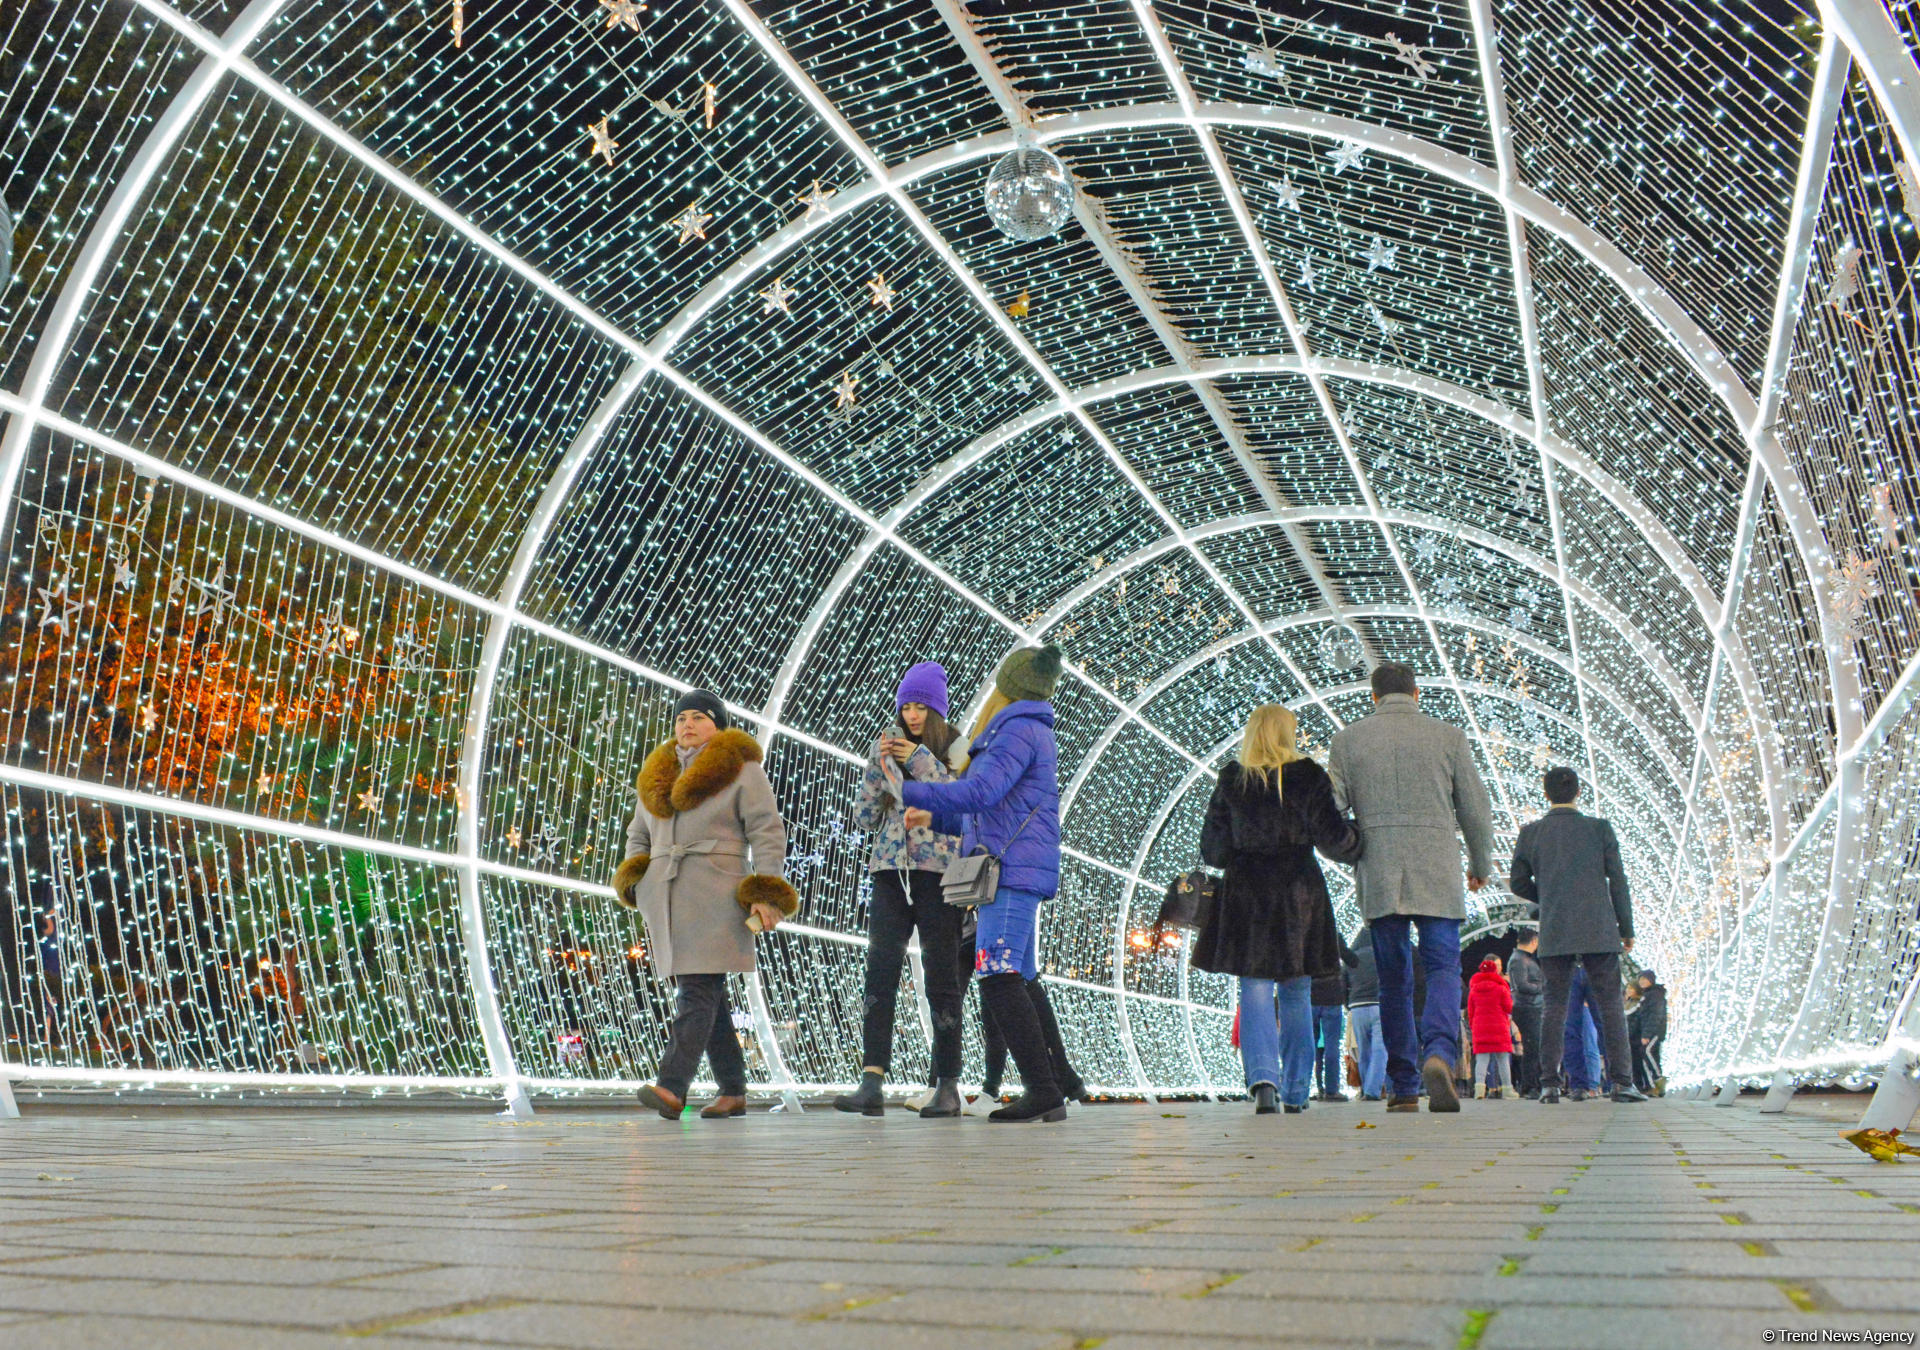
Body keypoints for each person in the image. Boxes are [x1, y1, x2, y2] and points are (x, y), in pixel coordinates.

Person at [613, 690, 799, 1120]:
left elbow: (766, 829)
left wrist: (767, 891)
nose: (687, 725)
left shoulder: (740, 769)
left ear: (718, 724)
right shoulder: (655, 775)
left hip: (716, 891)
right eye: (681, 719)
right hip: (666, 896)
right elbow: (637, 835)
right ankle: (733, 1090)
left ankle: (671, 1085)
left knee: (697, 988)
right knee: (706, 989)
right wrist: (637, 880)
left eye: (698, 717)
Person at [902, 646, 1069, 1122]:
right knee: (1017, 976)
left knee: (997, 974)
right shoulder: (1022, 730)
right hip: (1012, 865)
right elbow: (988, 811)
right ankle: (1052, 1088)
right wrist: (938, 814)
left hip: (1013, 870)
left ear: (1006, 686)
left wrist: (909, 789)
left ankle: (1043, 1089)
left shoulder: (1017, 730)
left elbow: (982, 792)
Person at [1327, 662, 1495, 1114]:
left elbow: (1328, 812)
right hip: (1437, 869)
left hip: (1380, 872)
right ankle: (1438, 1052)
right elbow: (1477, 810)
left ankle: (1402, 1086)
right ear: (1417, 693)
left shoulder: (1348, 741)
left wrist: (1347, 851)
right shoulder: (1449, 737)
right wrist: (1480, 865)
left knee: (1393, 982)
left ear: (1373, 697)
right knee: (1443, 968)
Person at [1193, 704, 1362, 1115]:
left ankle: (1262, 1081)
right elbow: (1332, 839)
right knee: (1296, 989)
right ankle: (1296, 1090)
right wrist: (1358, 841)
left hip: (1246, 893)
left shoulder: (1233, 778)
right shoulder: (1307, 775)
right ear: (1288, 734)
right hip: (1297, 891)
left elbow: (1213, 852)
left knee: (1253, 987)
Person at [836, 662, 969, 1118]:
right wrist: (879, 768)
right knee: (881, 970)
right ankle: (871, 1078)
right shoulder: (887, 747)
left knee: (941, 976)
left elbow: (962, 797)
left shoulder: (957, 747)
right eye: (906, 706)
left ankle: (947, 1083)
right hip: (891, 870)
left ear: (936, 710)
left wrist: (915, 758)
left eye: (920, 706)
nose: (911, 715)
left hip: (939, 872)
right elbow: (865, 817)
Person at [1509, 766, 1646, 1104]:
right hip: (1598, 928)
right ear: (1578, 793)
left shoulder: (1531, 833)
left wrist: (1550, 896)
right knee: (1611, 1005)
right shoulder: (1599, 829)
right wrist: (1625, 929)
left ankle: (1550, 1085)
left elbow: (1517, 882)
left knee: (1554, 1007)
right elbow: (1618, 880)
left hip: (1556, 930)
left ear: (1546, 793)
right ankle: (1622, 1083)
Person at [1311, 938, 1359, 1102]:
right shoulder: (1332, 935)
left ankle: (1303, 1089)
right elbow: (1353, 961)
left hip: (1309, 997)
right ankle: (1331, 1090)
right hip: (1331, 997)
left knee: (1310, 1046)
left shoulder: (1304, 931)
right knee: (1331, 1046)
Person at [1344, 922, 1387, 1100]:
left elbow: (1343, 983)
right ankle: (1372, 1090)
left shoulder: (1352, 958)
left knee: (1363, 1050)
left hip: (1357, 1007)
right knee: (1380, 1049)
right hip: (1379, 1005)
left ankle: (1365, 1089)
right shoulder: (1382, 955)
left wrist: (1348, 1004)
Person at [1467, 956, 1514, 1098]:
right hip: (1500, 1028)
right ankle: (1507, 1090)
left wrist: (1473, 1027)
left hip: (1480, 1028)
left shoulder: (1474, 990)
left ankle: (1479, 1090)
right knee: (1503, 1060)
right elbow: (1509, 1007)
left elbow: (1470, 1012)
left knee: (1481, 1060)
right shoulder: (1501, 988)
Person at [1509, 927, 1545, 1098]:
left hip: (1530, 1006)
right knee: (1532, 1048)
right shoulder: (1519, 960)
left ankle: (1531, 1085)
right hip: (1528, 1007)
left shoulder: (1521, 959)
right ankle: (1530, 1086)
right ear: (1534, 941)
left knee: (1533, 1048)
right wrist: (1542, 987)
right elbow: (1521, 985)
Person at [1633, 969, 1667, 1094]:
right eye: (1640, 979)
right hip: (1647, 1031)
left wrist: (1647, 1034)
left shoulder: (1655, 995)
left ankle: (1658, 1079)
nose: (1642, 982)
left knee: (1647, 1052)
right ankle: (1652, 1084)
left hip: (1654, 1032)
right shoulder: (1647, 995)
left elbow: (1654, 1016)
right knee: (1646, 1054)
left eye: (1644, 979)